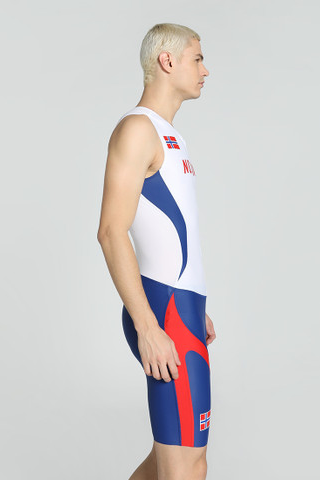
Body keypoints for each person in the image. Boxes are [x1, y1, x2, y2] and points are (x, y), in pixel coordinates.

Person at [97, 23, 216, 480]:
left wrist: (196, 306)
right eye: (197, 58)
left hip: (181, 310)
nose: (206, 70)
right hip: (163, 315)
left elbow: (172, 234)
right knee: (186, 467)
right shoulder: (137, 130)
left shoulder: (171, 136)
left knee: (170, 463)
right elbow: (111, 231)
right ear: (167, 61)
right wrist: (149, 326)